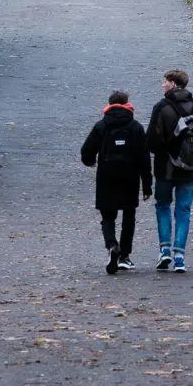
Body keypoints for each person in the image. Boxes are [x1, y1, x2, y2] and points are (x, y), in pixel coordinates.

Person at [146, 69, 193, 272]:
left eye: (165, 82)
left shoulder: (162, 107)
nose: (162, 85)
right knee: (183, 210)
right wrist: (192, 154)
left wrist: (164, 152)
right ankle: (180, 256)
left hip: (165, 169)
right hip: (191, 169)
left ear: (173, 84)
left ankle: (164, 250)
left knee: (163, 206)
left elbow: (151, 140)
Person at [81, 91, 152, 275]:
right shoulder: (136, 127)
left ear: (110, 104)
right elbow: (144, 158)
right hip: (130, 177)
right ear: (127, 104)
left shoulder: (102, 125)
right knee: (129, 216)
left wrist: (91, 161)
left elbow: (86, 152)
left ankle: (112, 244)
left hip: (107, 176)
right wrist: (147, 185)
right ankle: (124, 257)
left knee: (108, 216)